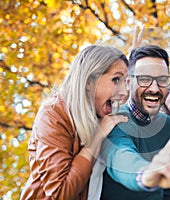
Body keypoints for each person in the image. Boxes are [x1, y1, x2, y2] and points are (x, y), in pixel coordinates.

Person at [20, 45, 130, 200]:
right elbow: (60, 194)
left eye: (126, 82)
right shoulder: (54, 115)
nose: (125, 92)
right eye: (116, 80)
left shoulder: (102, 115)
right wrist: (97, 137)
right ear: (89, 81)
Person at [99, 45, 170, 200]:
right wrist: (146, 173)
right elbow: (120, 155)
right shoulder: (115, 120)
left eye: (162, 80)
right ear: (127, 83)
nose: (154, 88)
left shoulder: (168, 125)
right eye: (144, 79)